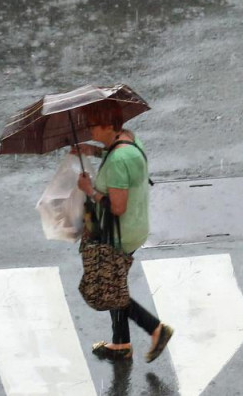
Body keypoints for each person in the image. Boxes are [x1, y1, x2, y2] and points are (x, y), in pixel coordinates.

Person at [72, 101, 174, 363]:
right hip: (135, 226)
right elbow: (116, 155)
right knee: (113, 281)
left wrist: (89, 190)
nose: (89, 131)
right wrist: (91, 151)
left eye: (92, 127)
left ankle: (156, 329)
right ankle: (121, 346)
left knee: (110, 290)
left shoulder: (117, 160)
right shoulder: (128, 140)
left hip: (119, 233)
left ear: (108, 126)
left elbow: (117, 207)